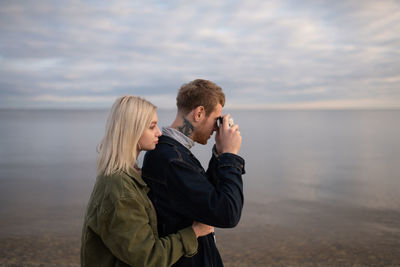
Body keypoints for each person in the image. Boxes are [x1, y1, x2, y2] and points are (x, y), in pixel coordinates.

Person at [81, 96, 214, 267]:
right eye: (152, 126)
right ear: (132, 131)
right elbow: (148, 257)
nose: (159, 132)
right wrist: (194, 232)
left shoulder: (125, 175)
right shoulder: (121, 190)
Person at [142, 79, 245, 266]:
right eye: (216, 120)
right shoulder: (171, 160)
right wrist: (230, 156)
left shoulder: (172, 152)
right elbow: (227, 213)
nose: (216, 128)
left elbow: (206, 198)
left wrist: (219, 153)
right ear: (199, 113)